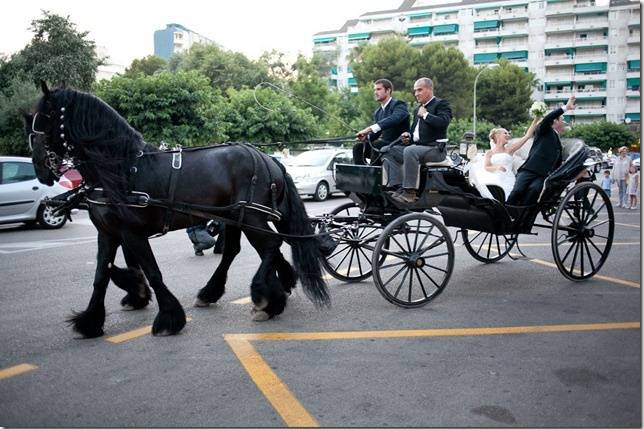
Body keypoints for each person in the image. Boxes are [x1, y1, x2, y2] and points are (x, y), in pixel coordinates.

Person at [385, 77, 453, 204]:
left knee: (411, 151)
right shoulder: (418, 109)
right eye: (415, 91)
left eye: (419, 90)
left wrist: (425, 115)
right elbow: (415, 133)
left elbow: (443, 123)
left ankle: (410, 193)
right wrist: (408, 137)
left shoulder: (441, 104)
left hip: (435, 150)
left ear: (429, 89)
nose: (416, 94)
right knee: (389, 150)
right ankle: (397, 186)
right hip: (418, 148)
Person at [506, 96, 576, 206]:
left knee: (533, 192)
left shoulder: (558, 140)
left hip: (543, 176)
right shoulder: (544, 130)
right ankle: (506, 216)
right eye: (562, 119)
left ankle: (523, 219)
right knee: (517, 191)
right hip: (529, 169)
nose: (564, 122)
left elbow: (557, 162)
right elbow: (548, 118)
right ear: (555, 121)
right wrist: (566, 107)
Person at [470, 119, 538, 201]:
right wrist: (497, 168)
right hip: (494, 177)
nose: (508, 135)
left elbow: (527, 136)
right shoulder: (490, 153)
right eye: (505, 133)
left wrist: (536, 120)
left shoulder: (509, 149)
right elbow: (487, 167)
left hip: (507, 178)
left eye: (508, 133)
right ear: (497, 136)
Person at [354, 79, 409, 165]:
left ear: (388, 91)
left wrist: (369, 129)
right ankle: (361, 175)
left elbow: (394, 119)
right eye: (375, 90)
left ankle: (374, 175)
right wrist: (366, 137)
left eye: (379, 89)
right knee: (358, 147)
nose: (375, 92)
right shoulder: (378, 112)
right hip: (383, 144)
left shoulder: (399, 105)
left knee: (377, 145)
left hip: (399, 144)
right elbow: (376, 133)